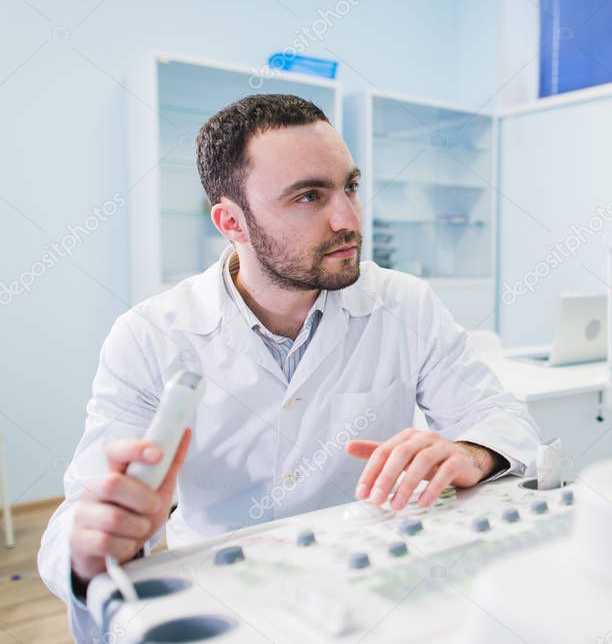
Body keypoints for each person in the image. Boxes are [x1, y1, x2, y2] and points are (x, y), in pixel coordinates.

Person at [37, 94, 541, 641]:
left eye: (350, 186)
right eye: (308, 196)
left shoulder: (405, 303)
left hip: (370, 576)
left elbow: (502, 418)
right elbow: (79, 517)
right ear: (232, 222)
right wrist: (96, 542)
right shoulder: (149, 336)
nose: (349, 218)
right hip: (225, 598)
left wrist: (471, 452)